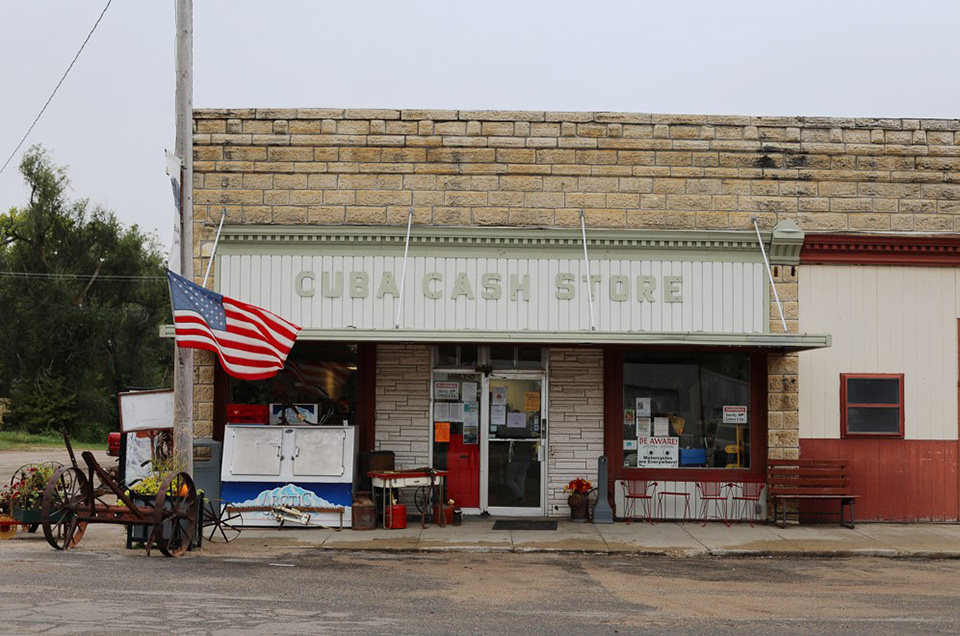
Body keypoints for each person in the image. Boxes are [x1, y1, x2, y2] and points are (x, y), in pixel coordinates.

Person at [505, 440, 535, 505]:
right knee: (520, 480)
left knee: (509, 479)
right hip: (527, 458)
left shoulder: (514, 434)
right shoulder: (528, 434)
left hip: (516, 458)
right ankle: (520, 501)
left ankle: (520, 497)